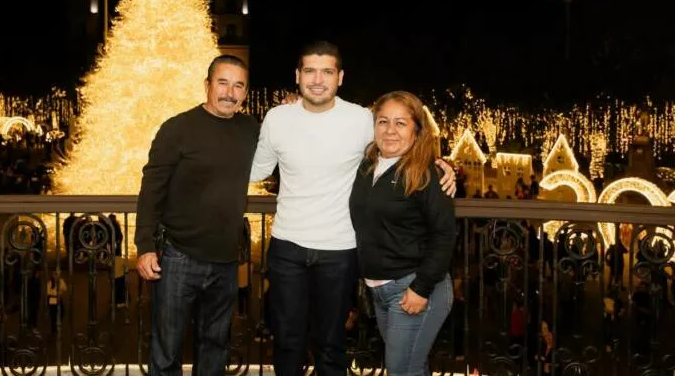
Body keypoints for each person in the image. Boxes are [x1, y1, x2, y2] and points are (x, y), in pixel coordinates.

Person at [249, 41, 455, 376]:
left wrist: (442, 166)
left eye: (327, 72)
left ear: (340, 77)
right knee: (286, 341)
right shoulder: (278, 118)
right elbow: (256, 169)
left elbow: (404, 141)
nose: (318, 80)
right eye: (310, 71)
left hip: (340, 251)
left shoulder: (360, 119)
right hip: (288, 247)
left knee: (332, 345)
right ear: (297, 76)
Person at [135, 54, 259, 376]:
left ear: (246, 92)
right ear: (207, 85)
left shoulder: (251, 130)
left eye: (238, 86)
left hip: (226, 261)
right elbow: (152, 189)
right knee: (167, 352)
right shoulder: (177, 129)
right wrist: (145, 245)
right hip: (178, 257)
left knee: (215, 350)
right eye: (223, 83)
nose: (230, 92)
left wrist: (291, 109)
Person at [349, 90, 456, 376]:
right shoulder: (366, 167)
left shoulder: (427, 174)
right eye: (383, 121)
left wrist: (421, 288)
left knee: (402, 370)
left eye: (401, 123)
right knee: (410, 368)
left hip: (413, 287)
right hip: (380, 291)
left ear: (417, 130)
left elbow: (444, 235)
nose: (390, 130)